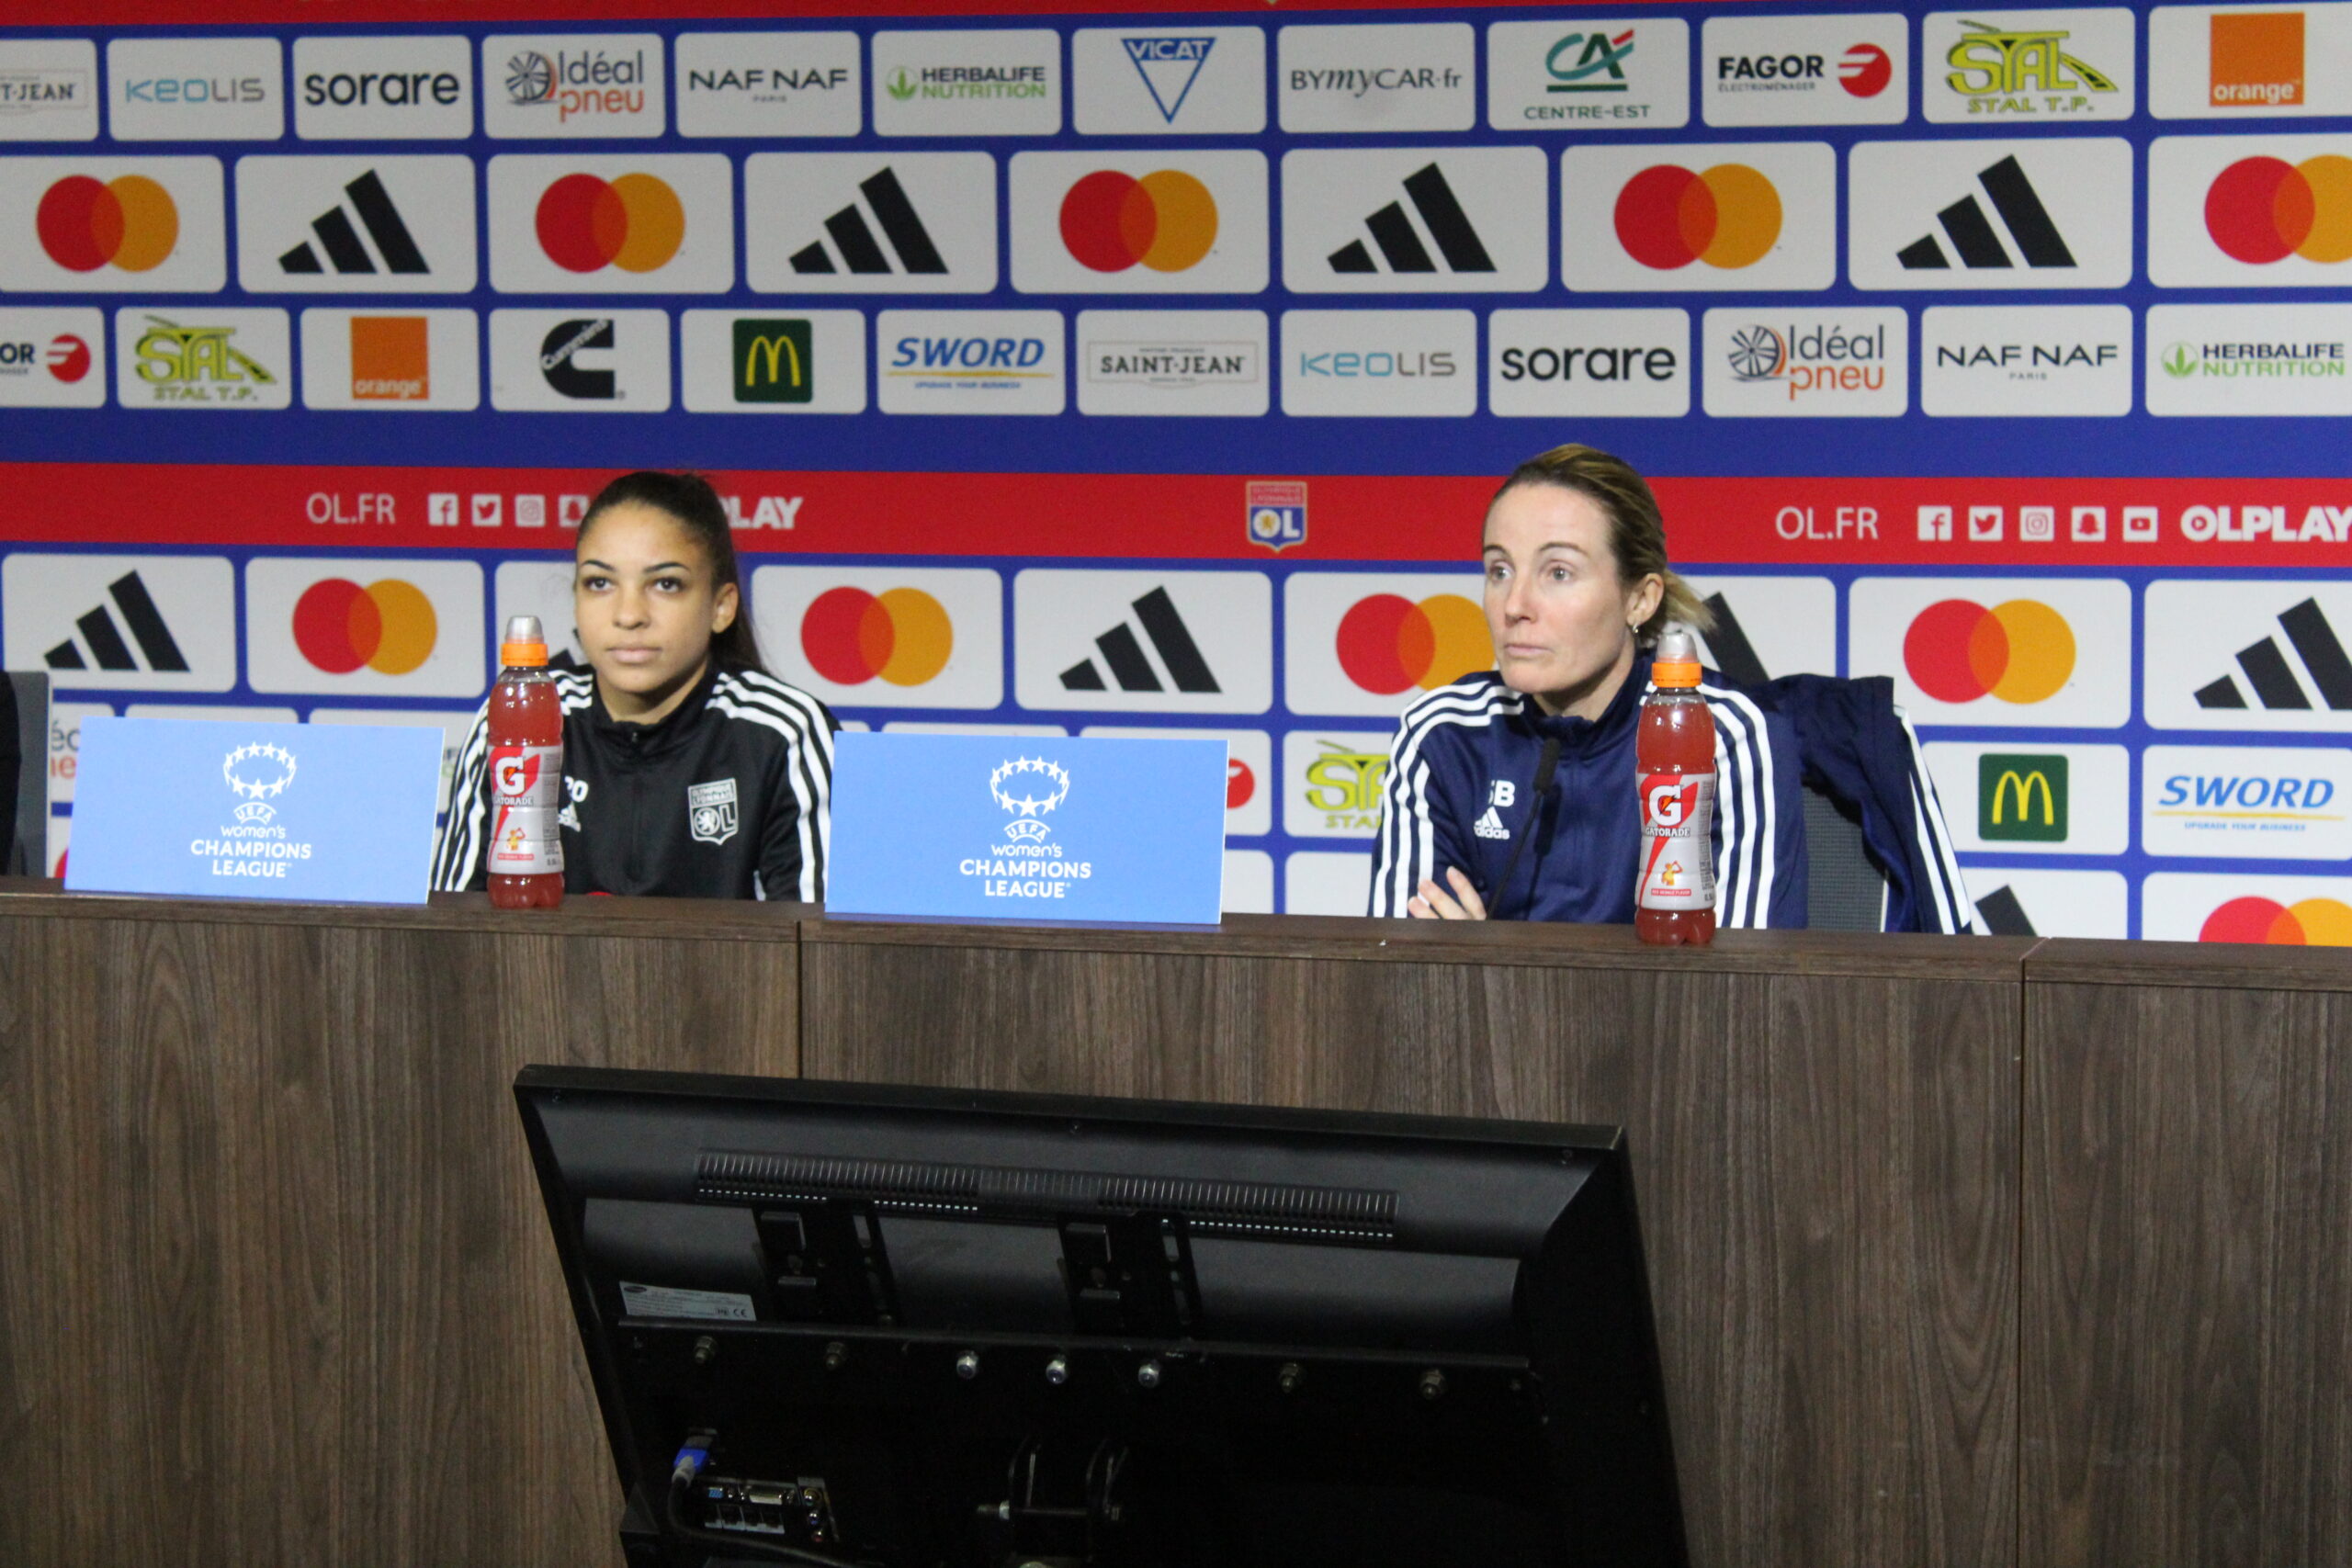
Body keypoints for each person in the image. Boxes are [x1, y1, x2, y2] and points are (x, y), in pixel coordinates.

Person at [1368, 444, 1806, 926]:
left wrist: (1488, 965)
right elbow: (1406, 982)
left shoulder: (1723, 735)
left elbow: (1742, 987)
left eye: (1558, 572)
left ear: (1639, 599)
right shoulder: (1442, 736)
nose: (1514, 605)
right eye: (1499, 570)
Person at [433, 471, 834, 901]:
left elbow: (817, 945)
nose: (628, 615)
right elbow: (456, 930)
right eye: (600, 583)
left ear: (721, 607)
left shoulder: (784, 733)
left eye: (665, 584)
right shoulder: (522, 716)